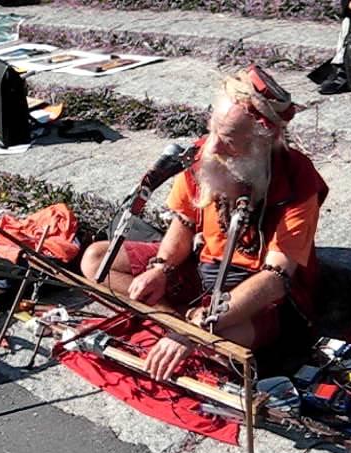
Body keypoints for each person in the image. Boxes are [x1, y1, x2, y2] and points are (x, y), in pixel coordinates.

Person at [81, 65, 329, 382]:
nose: (211, 147)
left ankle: (188, 331)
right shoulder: (203, 154)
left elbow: (275, 279)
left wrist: (200, 328)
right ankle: (180, 326)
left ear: (264, 140)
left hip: (256, 293)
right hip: (203, 271)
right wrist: (161, 268)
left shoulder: (297, 179)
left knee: (229, 340)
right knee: (96, 259)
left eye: (227, 139)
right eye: (211, 130)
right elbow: (183, 225)